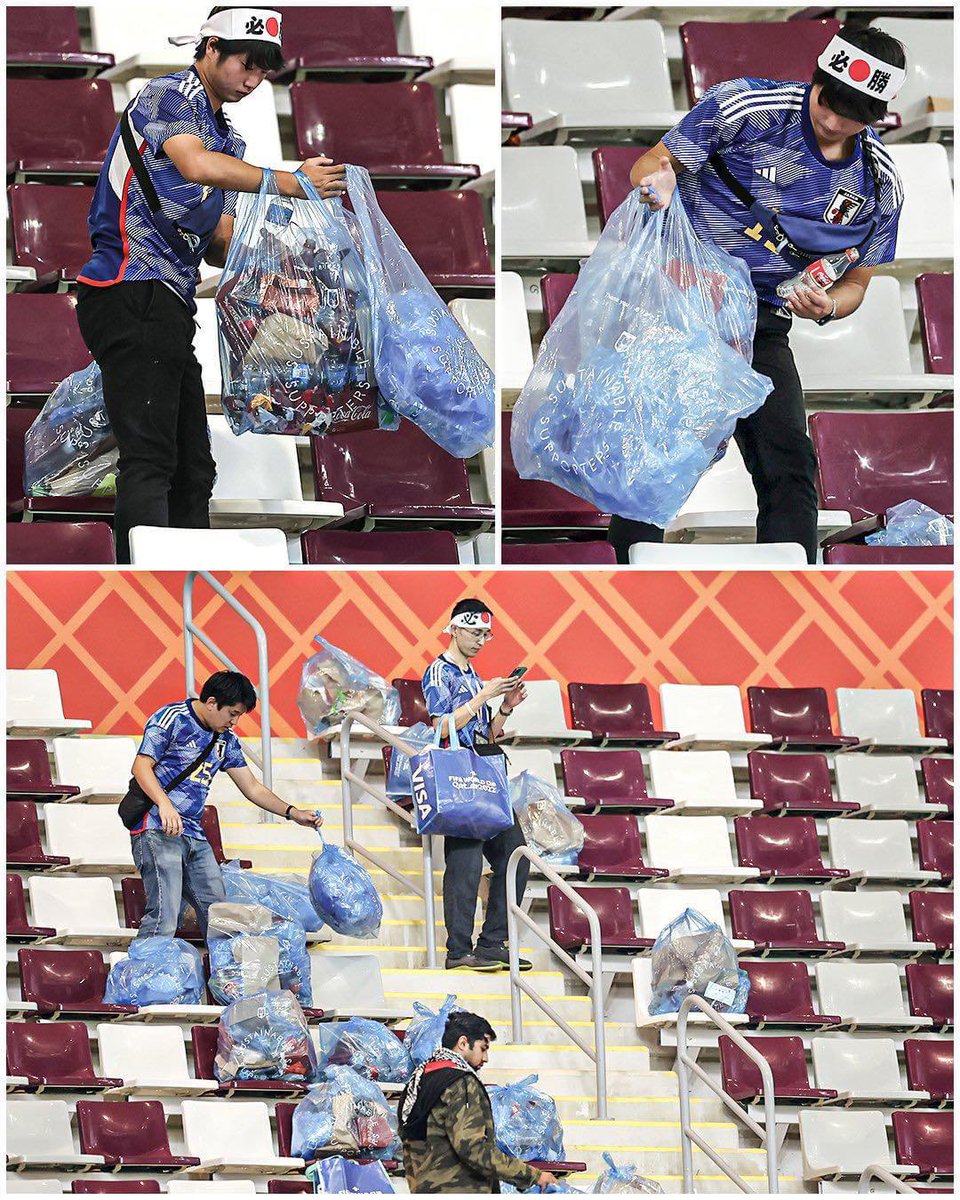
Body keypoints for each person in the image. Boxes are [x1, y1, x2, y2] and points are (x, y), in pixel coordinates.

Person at [611, 24, 906, 566]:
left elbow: (860, 279)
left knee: (789, 462)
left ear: (879, 114)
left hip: (763, 326)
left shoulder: (878, 180)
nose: (834, 120)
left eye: (854, 114)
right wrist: (660, 182)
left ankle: (790, 589)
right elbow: (650, 163)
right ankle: (631, 575)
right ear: (814, 79)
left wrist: (832, 304)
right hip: (682, 306)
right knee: (654, 458)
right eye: (827, 102)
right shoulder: (747, 106)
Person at [75, 7, 347, 562]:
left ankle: (186, 585)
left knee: (194, 470)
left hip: (167, 302)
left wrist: (289, 269)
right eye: (246, 65)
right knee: (150, 458)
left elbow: (219, 236)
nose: (252, 81)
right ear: (210, 50)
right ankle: (141, 591)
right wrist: (291, 184)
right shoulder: (166, 95)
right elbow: (195, 166)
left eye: (262, 74)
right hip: (130, 287)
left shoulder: (228, 137)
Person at [128, 670, 322, 938]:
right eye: (232, 713)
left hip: (193, 833)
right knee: (164, 917)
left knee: (220, 918)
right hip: (156, 827)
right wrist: (164, 803)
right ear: (211, 702)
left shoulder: (225, 740)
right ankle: (145, 976)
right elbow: (141, 766)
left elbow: (252, 787)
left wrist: (293, 813)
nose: (235, 721)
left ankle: (225, 979)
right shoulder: (171, 719)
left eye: (239, 715)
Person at [422, 599, 531, 973]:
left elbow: (484, 734)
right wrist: (484, 696)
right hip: (459, 777)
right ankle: (458, 950)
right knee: (465, 864)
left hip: (485, 771)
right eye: (474, 632)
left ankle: (492, 942)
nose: (481, 640)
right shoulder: (439, 673)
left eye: (486, 634)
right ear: (453, 628)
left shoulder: (472, 674)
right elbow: (440, 727)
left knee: (516, 855)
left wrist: (505, 707)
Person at [399, 1010, 559, 1194]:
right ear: (463, 1043)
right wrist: (533, 1175)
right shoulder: (461, 1083)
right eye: (483, 1048)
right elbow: (473, 1149)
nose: (485, 1058)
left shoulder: (418, 1079)